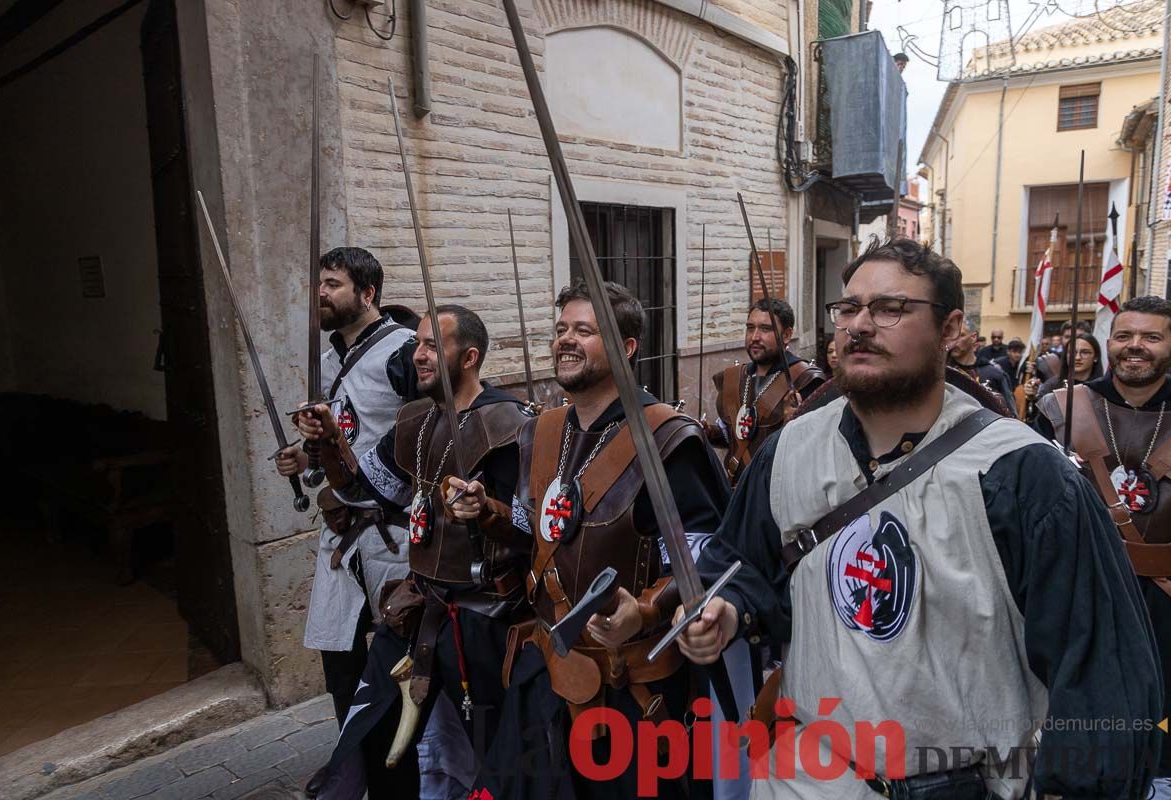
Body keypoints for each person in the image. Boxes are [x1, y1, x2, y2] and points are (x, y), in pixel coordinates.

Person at [677, 236, 1162, 799]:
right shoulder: (787, 452)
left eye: (890, 309)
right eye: (849, 309)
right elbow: (738, 564)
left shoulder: (1023, 475)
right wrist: (724, 610)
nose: (860, 325)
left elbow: (1101, 677)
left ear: (951, 328)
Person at [462, 280, 731, 800]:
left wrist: (648, 610)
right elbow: (540, 534)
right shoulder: (540, 432)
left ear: (627, 347)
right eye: (561, 329)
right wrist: (489, 512)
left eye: (584, 330)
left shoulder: (669, 439)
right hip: (549, 674)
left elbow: (709, 558)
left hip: (634, 688)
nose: (565, 339)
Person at [300, 305, 533, 798]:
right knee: (374, 734)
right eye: (418, 342)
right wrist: (331, 443)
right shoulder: (416, 420)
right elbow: (366, 492)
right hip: (417, 607)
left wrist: (487, 510)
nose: (418, 354)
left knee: (499, 753)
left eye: (431, 345)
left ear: (469, 358)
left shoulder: (511, 424)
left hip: (484, 617)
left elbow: (532, 530)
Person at [275, 247, 417, 795]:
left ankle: (398, 780)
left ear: (367, 293)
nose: (321, 294)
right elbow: (343, 435)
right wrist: (306, 455)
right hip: (341, 540)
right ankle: (353, 769)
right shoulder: (331, 358)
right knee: (342, 668)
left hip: (392, 539)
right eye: (318, 284)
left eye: (332, 284)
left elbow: (422, 437)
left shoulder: (404, 354)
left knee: (394, 675)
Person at [1033, 295, 1171, 798]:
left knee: (1163, 720)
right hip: (1082, 590)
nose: (1135, 346)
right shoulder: (1063, 408)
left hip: (1165, 599)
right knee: (1090, 714)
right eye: (1125, 335)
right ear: (1110, 341)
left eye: (1152, 337)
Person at [705, 298, 825, 484]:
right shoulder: (735, 378)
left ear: (786, 335)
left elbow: (815, 451)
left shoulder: (805, 380)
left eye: (765, 329)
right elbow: (735, 437)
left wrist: (791, 424)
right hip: (735, 492)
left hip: (778, 492)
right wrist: (708, 432)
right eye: (750, 327)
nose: (754, 337)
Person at [946, 320, 1017, 416]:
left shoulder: (995, 374)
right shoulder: (943, 373)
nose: (953, 341)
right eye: (950, 336)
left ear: (973, 337)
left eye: (959, 335)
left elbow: (1011, 415)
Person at [1026, 332, 1102, 406]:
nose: (1077, 357)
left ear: (1096, 357)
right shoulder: (1052, 386)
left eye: (1085, 352)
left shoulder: (1103, 388)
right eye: (1072, 352)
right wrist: (1032, 397)